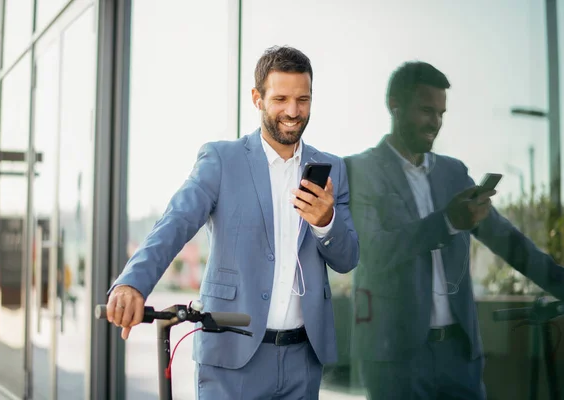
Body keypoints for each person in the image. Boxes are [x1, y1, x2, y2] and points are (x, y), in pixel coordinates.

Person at [106, 45, 359, 399]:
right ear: (257, 98)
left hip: (303, 358)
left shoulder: (333, 169)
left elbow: (347, 259)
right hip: (232, 355)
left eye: (303, 99)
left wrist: (326, 222)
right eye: (281, 98)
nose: (293, 111)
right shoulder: (222, 160)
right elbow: (176, 221)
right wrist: (132, 283)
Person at [344, 61, 564, 399]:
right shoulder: (358, 170)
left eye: (441, 113)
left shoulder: (454, 173)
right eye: (426, 110)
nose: (435, 122)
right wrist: (446, 222)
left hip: (459, 356)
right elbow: (371, 251)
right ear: (394, 104)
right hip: (397, 360)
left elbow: (507, 240)